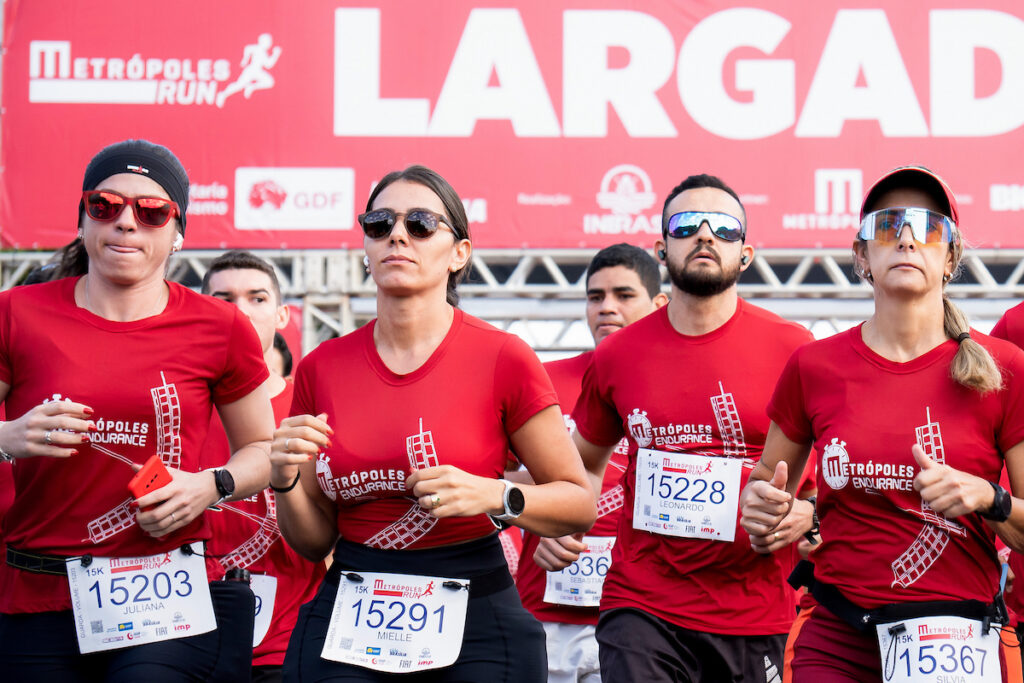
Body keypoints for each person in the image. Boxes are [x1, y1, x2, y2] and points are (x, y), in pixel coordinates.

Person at [270, 164, 596, 681]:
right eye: (379, 223)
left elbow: (579, 502)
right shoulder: (322, 367)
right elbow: (312, 543)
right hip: (353, 598)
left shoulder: (503, 357)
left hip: (473, 600)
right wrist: (283, 479)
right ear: (367, 246)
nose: (397, 234)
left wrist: (494, 496)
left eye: (420, 223)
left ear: (459, 254)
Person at [0, 139, 274, 681]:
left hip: (163, 593)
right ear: (82, 221)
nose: (126, 223)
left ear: (177, 235)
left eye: (151, 212)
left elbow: (264, 449)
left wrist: (211, 484)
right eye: (105, 206)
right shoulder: (17, 312)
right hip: (37, 591)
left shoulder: (220, 327)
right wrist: (8, 434)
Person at [740, 166, 1024, 681]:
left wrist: (989, 497)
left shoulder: (1005, 368)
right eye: (890, 226)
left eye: (928, 227)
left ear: (951, 258)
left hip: (954, 636)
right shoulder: (814, 366)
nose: (909, 239)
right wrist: (761, 508)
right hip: (837, 633)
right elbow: (767, 485)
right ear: (861, 256)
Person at [569, 175, 815, 682]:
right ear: (662, 249)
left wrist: (808, 515)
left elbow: (837, 470)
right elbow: (584, 468)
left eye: (724, 228)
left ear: (744, 254)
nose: (704, 235)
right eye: (686, 225)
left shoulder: (792, 347)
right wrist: (563, 526)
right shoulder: (617, 355)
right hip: (642, 603)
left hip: (753, 610)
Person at [515, 243, 667, 683]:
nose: (607, 308)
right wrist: (536, 516)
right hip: (543, 612)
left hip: (643, 616)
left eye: (623, 295)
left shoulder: (681, 390)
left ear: (659, 304)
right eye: (595, 297)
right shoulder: (542, 380)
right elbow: (494, 479)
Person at [199, 250, 325, 683]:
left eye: (257, 298)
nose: (241, 312)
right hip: (183, 627)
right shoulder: (176, 402)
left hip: (291, 633)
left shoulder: (314, 406)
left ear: (283, 314)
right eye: (224, 298)